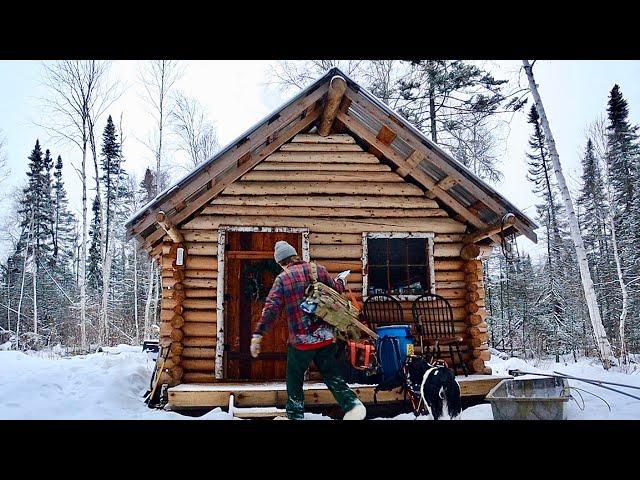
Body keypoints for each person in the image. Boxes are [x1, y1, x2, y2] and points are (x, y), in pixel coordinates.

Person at [250, 240, 366, 420]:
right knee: (331, 373)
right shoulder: (317, 270)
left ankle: (295, 414)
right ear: (295, 254)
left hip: (301, 341)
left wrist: (258, 333)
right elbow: (335, 290)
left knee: (294, 376)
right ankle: (353, 405)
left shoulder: (283, 279)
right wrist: (341, 280)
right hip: (326, 336)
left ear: (280, 262)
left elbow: (271, 308)